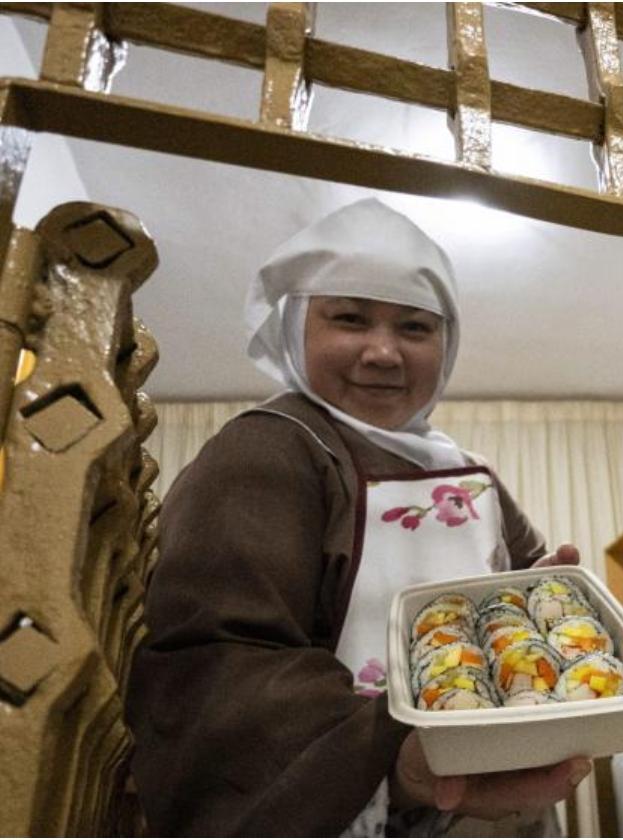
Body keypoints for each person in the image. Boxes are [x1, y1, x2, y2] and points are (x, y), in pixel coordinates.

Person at [127, 198, 591, 837]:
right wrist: (397, 758)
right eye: (350, 319)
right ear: (295, 328)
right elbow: (218, 663)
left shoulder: (470, 472)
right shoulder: (267, 449)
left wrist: (565, 613)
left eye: (415, 328)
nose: (383, 352)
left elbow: (533, 603)